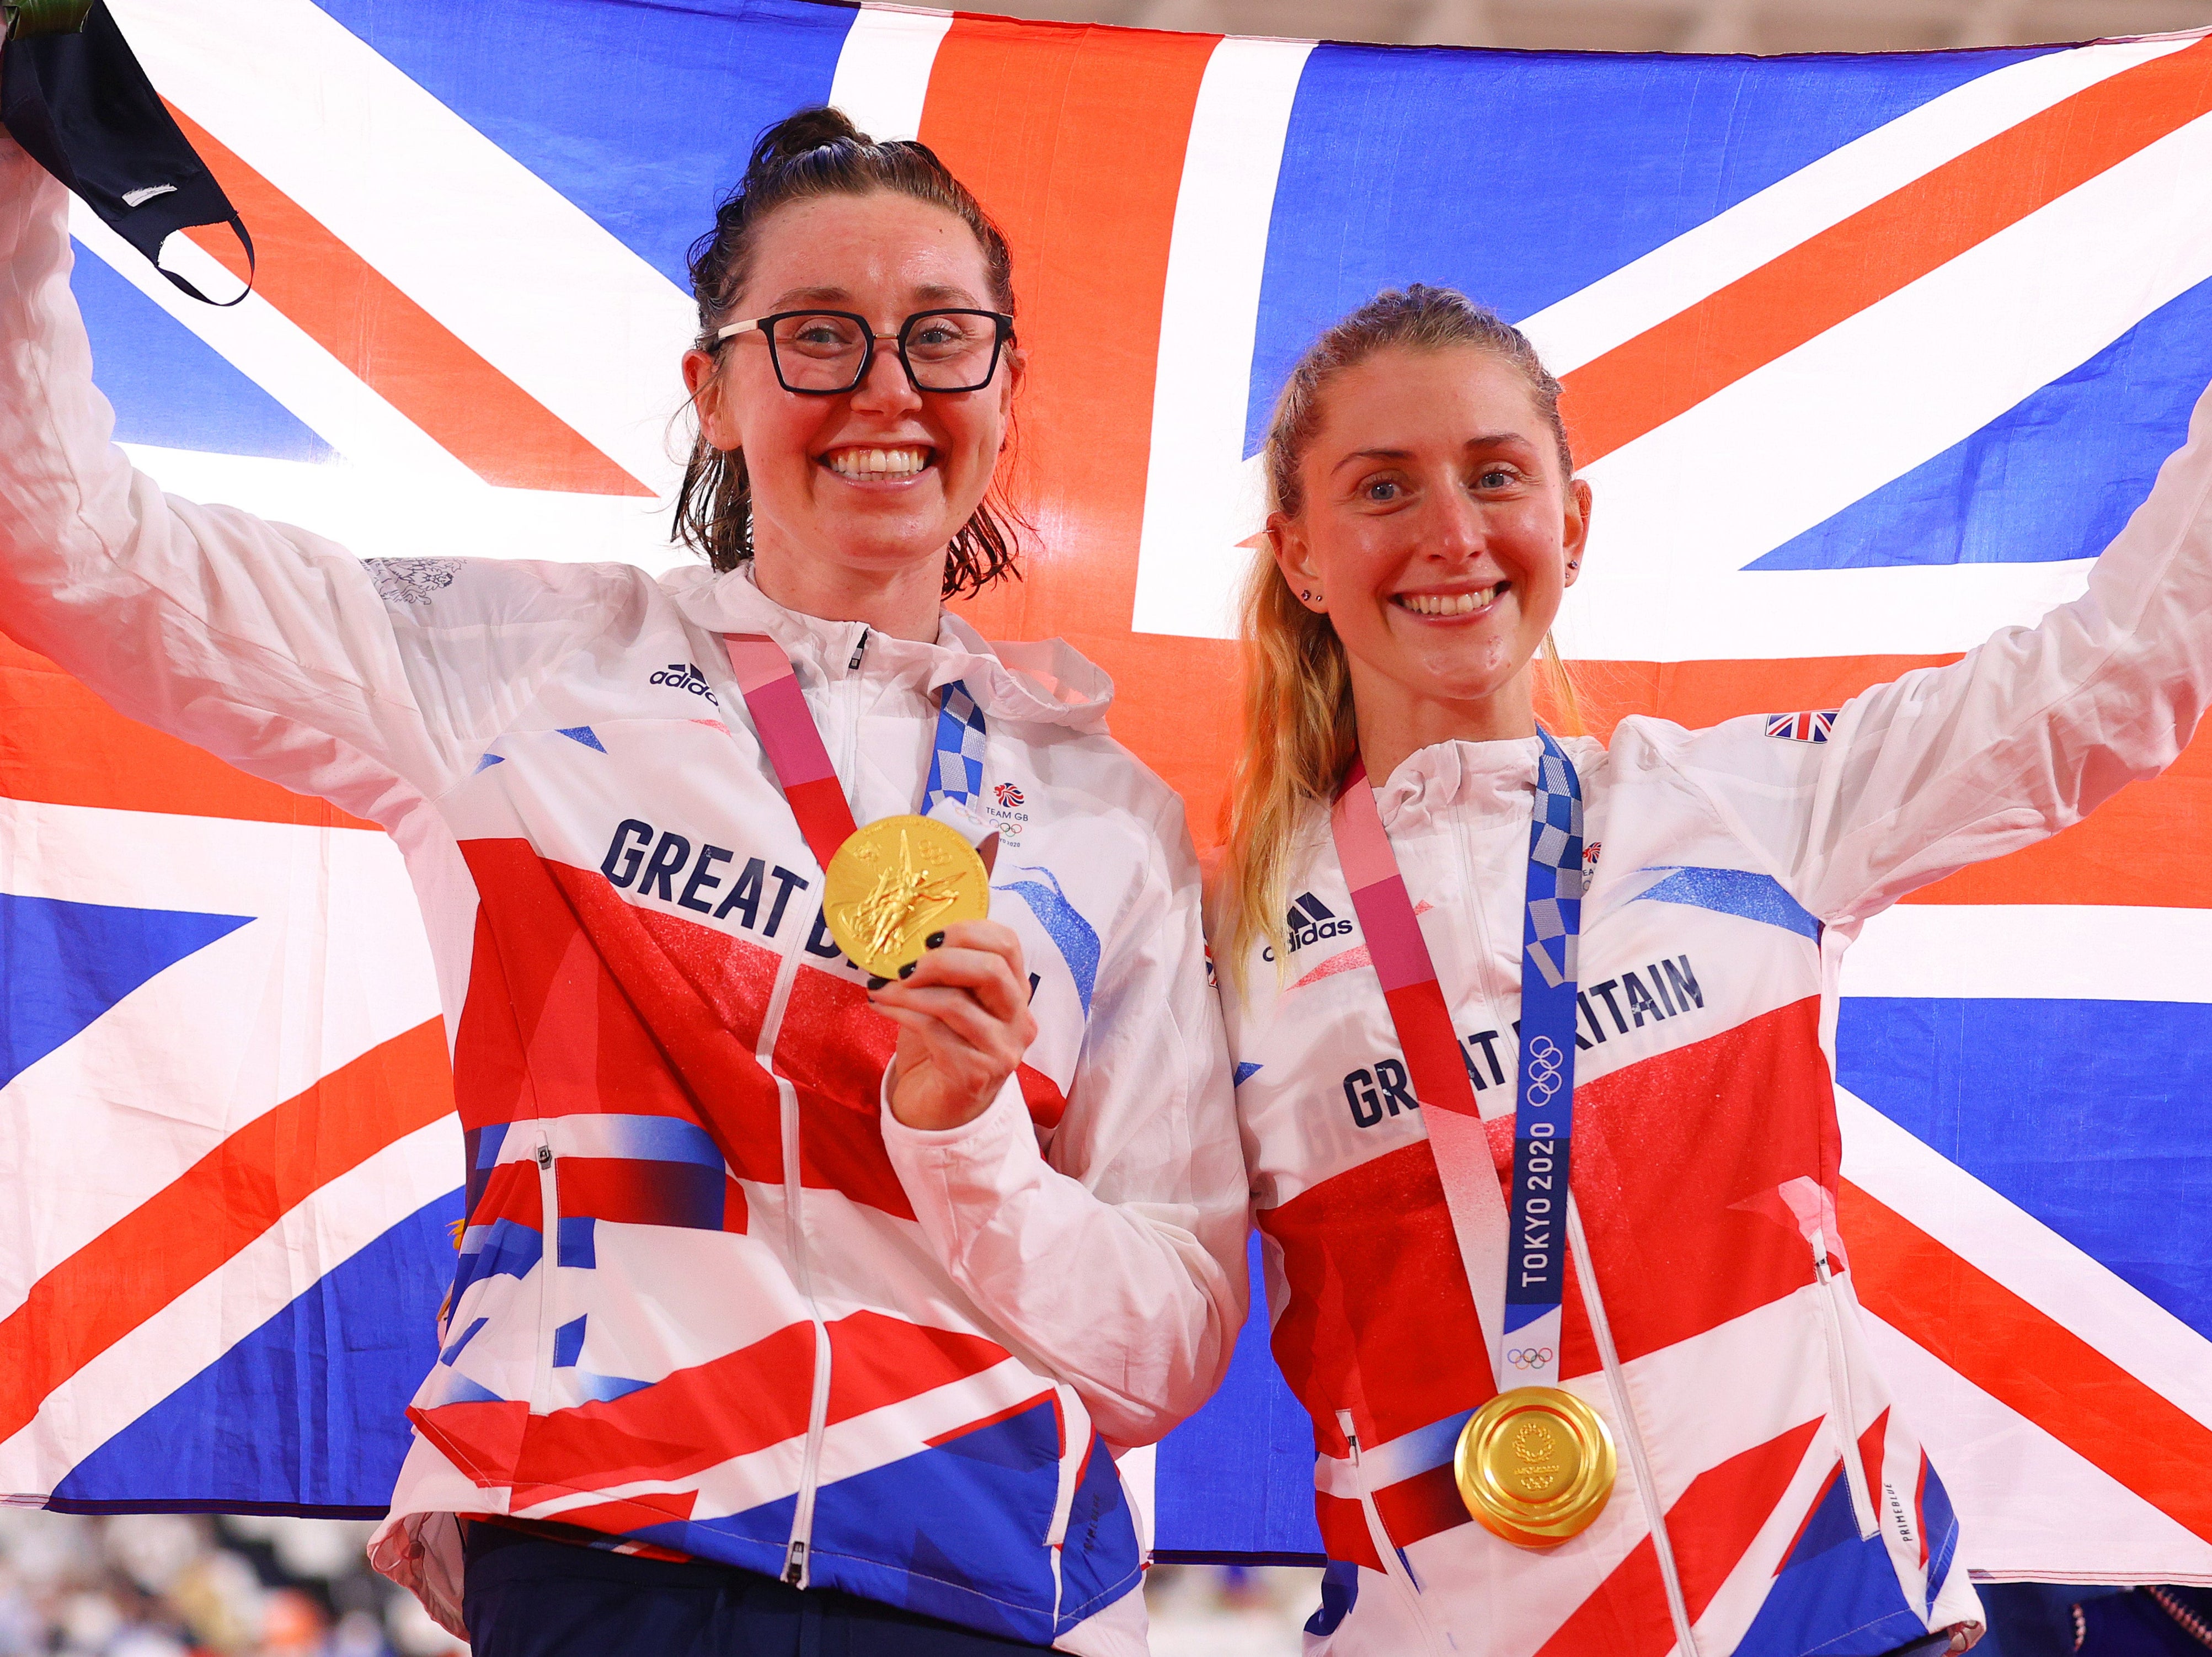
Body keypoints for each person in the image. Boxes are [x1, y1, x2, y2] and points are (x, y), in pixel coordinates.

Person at [0, 101, 1248, 1657]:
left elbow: (1174, 1340)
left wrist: (967, 1136)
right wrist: (21, 145)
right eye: (815, 336)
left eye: (941, 337)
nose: (883, 387)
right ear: (713, 391)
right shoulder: (515, 674)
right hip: (611, 1567)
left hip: (987, 1593)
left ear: (1003, 384)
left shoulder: (1106, 815)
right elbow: (65, 541)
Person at [1212, 284, 2212, 1656]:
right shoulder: (1226, 938)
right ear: (1300, 553)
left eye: (1494, 475)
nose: (1451, 533)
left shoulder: (1749, 803)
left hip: (1841, 1619)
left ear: (1569, 520)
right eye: (1382, 487)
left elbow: (2119, 673)